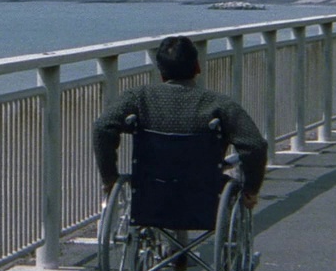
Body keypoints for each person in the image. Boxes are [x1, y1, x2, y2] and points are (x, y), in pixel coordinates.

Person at [92, 35, 267, 212]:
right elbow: (255, 146)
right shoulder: (219, 105)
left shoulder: (139, 98)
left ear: (161, 71)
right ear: (197, 67)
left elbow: (102, 127)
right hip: (204, 192)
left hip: (151, 189)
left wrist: (110, 179)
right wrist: (251, 190)